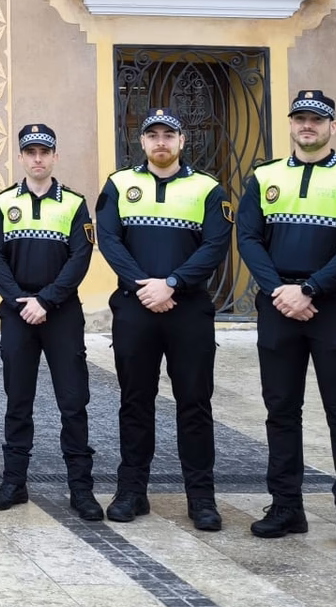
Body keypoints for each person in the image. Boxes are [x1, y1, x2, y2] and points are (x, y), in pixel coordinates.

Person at [236, 91, 336, 555]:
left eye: (317, 119)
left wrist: (311, 289)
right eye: (300, 118)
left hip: (333, 307)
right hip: (279, 305)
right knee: (281, 411)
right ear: (291, 125)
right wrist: (280, 290)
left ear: (333, 126)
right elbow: (249, 238)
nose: (307, 126)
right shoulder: (264, 177)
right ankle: (286, 507)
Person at [94, 108, 232, 530]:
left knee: (195, 404)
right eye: (152, 135)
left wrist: (172, 283)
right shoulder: (119, 184)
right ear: (142, 142)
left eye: (168, 135)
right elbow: (109, 240)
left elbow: (215, 245)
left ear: (181, 141)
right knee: (135, 402)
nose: (160, 142)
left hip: (188, 310)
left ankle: (201, 498)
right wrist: (144, 286)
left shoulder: (207, 188)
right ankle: (131, 491)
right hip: (135, 307)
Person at [0, 123, 100, 521]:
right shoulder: (4, 203)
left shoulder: (74, 203)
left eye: (44, 152)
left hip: (61, 314)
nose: (37, 159)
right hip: (18, 314)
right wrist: (21, 302)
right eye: (30, 152)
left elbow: (80, 258)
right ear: (20, 157)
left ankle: (81, 489)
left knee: (73, 401)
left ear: (55, 157)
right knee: (18, 401)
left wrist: (46, 300)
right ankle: (14, 483)